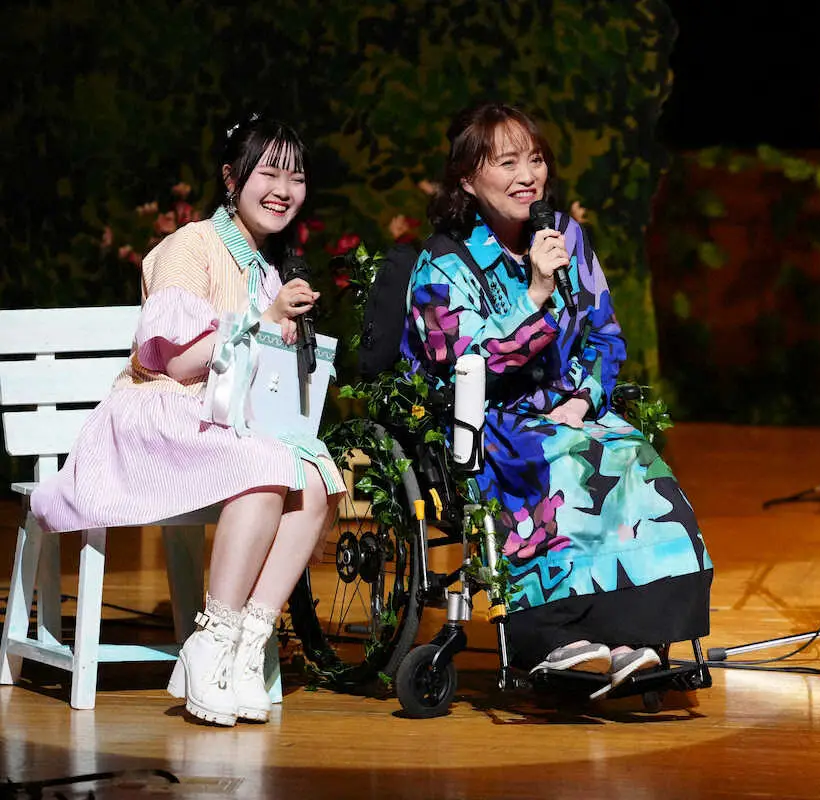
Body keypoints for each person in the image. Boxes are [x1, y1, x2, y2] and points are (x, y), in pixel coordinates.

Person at [31, 115, 344, 727]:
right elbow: (176, 363)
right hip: (160, 411)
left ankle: (246, 646)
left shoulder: (268, 268)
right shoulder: (190, 246)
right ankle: (209, 642)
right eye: (269, 173)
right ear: (231, 178)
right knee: (264, 466)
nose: (283, 190)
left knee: (316, 480)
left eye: (296, 177)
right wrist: (264, 318)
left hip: (226, 419)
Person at [400, 102, 713, 697]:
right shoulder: (442, 264)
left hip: (569, 408)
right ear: (467, 179)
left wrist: (585, 398)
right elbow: (468, 365)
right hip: (487, 421)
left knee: (635, 458)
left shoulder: (565, 235)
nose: (528, 176)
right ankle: (552, 634)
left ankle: (634, 638)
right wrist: (536, 295)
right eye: (507, 163)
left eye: (536, 160)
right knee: (564, 462)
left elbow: (604, 334)